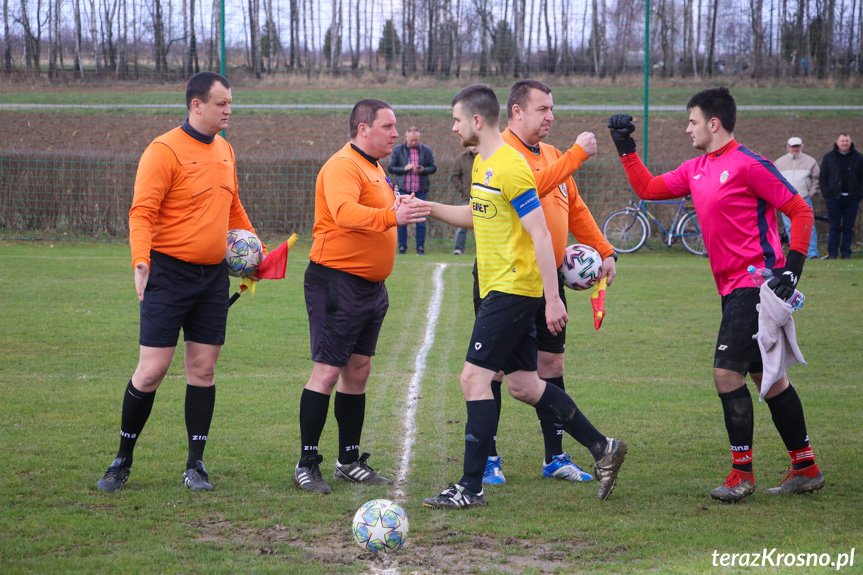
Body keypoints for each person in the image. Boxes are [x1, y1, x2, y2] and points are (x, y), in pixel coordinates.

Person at [606, 87, 824, 503]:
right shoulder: (695, 168)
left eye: (691, 121)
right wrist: (625, 148)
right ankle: (806, 466)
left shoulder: (750, 164)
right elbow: (650, 188)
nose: (687, 128)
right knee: (770, 381)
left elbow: (801, 209)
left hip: (755, 285)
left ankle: (741, 473)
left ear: (713, 123)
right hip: (729, 289)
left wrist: (792, 269)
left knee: (727, 374)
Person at [416, 84, 627, 509]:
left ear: (477, 121)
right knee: (526, 385)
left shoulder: (510, 166)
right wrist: (425, 206)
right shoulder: (484, 164)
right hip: (502, 287)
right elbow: (475, 216)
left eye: (456, 119)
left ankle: (470, 486)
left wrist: (553, 298)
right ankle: (603, 447)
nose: (453, 127)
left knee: (472, 379)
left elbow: (540, 232)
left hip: (513, 290)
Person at [97, 72, 266, 492]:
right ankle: (122, 459)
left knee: (203, 369)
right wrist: (141, 260)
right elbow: (142, 212)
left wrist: (256, 251)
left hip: (212, 278)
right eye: (222, 103)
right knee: (152, 370)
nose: (229, 110)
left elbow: (233, 208)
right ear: (196, 105)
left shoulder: (225, 149)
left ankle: (195, 465)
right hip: (168, 274)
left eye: (230, 103)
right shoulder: (163, 150)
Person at [480, 79, 620, 487]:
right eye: (542, 109)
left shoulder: (555, 155)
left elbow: (573, 206)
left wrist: (603, 248)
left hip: (548, 283)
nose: (551, 116)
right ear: (516, 112)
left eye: (552, 108)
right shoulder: (500, 153)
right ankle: (488, 459)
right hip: (506, 282)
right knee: (492, 372)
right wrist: (577, 156)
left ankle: (555, 456)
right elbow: (531, 187)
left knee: (550, 365)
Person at [292, 99, 429, 494]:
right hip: (337, 282)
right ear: (363, 129)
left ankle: (348, 461)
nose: (396, 134)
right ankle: (307, 463)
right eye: (388, 126)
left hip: (370, 288)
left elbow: (375, 209)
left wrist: (396, 203)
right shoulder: (342, 166)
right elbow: (343, 213)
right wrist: (392, 216)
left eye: (396, 127)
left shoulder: (375, 167)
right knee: (328, 371)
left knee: (358, 370)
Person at [388, 126, 437, 255]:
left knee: (421, 221)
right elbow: (391, 167)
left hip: (420, 191)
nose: (413, 142)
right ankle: (402, 247)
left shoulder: (426, 150)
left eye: (415, 140)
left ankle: (420, 248)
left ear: (418, 138)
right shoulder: (398, 150)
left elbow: (433, 168)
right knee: (401, 220)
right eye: (411, 140)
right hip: (403, 191)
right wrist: (404, 168)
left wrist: (423, 170)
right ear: (406, 138)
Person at [774, 137, 820, 259]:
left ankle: (812, 253)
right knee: (790, 227)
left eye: (797, 146)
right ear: (788, 147)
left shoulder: (810, 161)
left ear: (802, 146)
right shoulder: (779, 163)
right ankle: (796, 255)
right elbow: (775, 181)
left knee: (809, 226)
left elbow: (816, 179)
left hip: (804, 198)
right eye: (793, 146)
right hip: (786, 200)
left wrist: (811, 193)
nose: (795, 149)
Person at [819, 132, 863, 259]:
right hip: (834, 199)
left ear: (850, 142)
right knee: (834, 227)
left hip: (852, 199)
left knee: (848, 227)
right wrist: (827, 194)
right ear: (837, 142)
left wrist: (858, 195)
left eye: (847, 141)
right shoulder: (828, 158)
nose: (845, 143)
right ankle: (832, 253)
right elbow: (823, 178)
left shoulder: (858, 158)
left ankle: (846, 253)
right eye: (842, 141)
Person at [449, 145, 477, 255]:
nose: (474, 147)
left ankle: (483, 250)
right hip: (467, 197)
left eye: (476, 144)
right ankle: (458, 249)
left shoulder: (486, 155)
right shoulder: (461, 158)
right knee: (462, 225)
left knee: (483, 225)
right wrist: (462, 189)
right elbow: (454, 176)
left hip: (485, 197)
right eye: (472, 144)